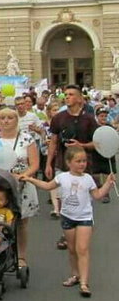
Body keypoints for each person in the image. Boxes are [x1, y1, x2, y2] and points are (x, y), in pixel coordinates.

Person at [22, 147, 115, 298]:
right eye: (78, 161)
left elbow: (97, 195)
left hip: (84, 218)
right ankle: (75, 275)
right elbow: (47, 186)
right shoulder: (62, 177)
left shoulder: (88, 179)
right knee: (71, 249)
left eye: (84, 161)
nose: (82, 164)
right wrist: (31, 179)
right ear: (68, 162)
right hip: (67, 218)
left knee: (82, 249)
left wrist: (108, 183)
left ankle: (84, 283)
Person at [47, 85, 98, 250]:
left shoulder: (89, 119)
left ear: (79, 98)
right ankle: (66, 231)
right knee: (64, 198)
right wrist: (49, 163)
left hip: (84, 166)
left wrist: (81, 145)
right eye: (65, 94)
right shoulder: (58, 118)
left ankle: (83, 227)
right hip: (63, 164)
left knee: (83, 199)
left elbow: (97, 143)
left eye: (71, 94)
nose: (67, 97)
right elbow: (53, 141)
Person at [0, 107, 39, 271]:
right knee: (0, 220)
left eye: (10, 118)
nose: (6, 121)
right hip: (0, 186)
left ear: (16, 120)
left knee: (21, 223)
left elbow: (34, 164)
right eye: (2, 118)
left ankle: (21, 256)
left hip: (22, 185)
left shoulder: (27, 139)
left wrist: (23, 175)